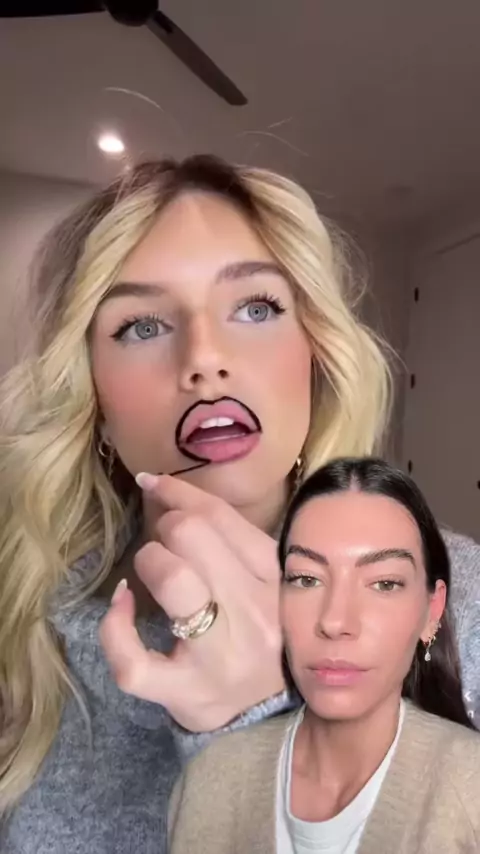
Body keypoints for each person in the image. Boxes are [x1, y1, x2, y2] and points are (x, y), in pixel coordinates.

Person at [0, 155, 478, 854]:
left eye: (256, 308)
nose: (204, 359)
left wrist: (254, 728)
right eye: (142, 325)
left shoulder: (458, 597)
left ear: (316, 356)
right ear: (94, 399)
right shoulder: (27, 622)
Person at [169, 457, 480, 854]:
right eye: (306, 579)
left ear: (431, 611)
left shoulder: (469, 787)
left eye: (385, 584)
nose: (335, 622)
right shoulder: (208, 780)